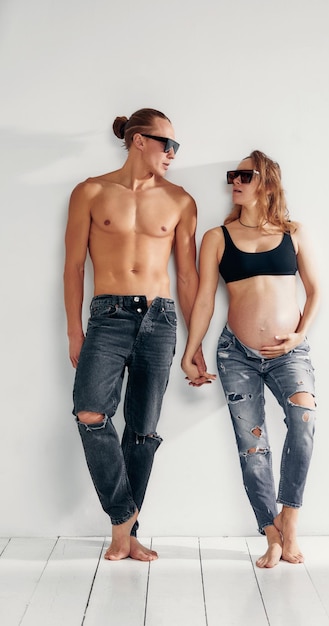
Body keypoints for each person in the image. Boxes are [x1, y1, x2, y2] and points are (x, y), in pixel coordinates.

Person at [64, 108, 206, 561]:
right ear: (139, 140)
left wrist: (194, 343)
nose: (172, 153)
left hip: (160, 319)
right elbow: (72, 267)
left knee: (142, 431)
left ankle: (123, 536)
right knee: (90, 413)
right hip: (108, 315)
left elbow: (188, 279)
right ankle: (124, 517)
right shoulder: (90, 191)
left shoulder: (181, 200)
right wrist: (74, 331)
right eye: (168, 144)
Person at [181, 150, 320, 568]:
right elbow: (205, 298)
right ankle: (271, 533)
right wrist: (192, 351)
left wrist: (299, 335)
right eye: (232, 176)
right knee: (252, 445)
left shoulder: (293, 234)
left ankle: (289, 518)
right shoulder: (216, 237)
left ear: (266, 181)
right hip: (236, 355)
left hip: (288, 353)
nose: (234, 182)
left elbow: (315, 291)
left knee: (304, 418)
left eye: (244, 175)